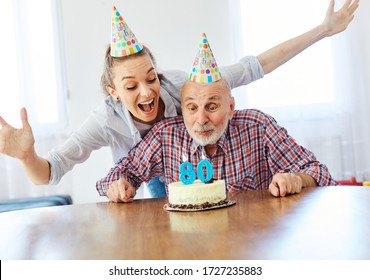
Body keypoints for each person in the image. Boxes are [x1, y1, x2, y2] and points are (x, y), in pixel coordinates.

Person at [0, 1, 356, 199]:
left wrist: (322, 30)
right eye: (131, 86)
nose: (146, 91)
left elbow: (256, 66)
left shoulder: (192, 86)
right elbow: (53, 172)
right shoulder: (112, 123)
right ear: (114, 93)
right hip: (159, 176)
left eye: (151, 78)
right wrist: (28, 156)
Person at [96, 32, 337, 202]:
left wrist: (297, 179)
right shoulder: (165, 136)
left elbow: (319, 172)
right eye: (191, 108)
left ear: (231, 107)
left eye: (211, 106)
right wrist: (118, 186)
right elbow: (117, 175)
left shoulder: (258, 127)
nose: (200, 119)